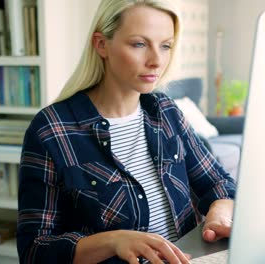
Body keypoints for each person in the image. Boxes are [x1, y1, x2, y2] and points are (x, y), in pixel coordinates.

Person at [17, 0, 236, 263]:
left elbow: (219, 184)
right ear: (101, 44)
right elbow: (35, 250)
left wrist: (219, 213)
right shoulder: (51, 130)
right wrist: (113, 241)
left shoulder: (166, 112)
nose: (156, 61)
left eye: (165, 45)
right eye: (139, 44)